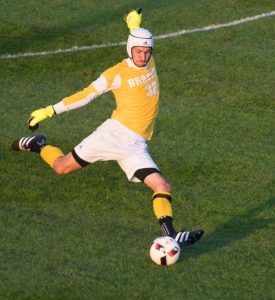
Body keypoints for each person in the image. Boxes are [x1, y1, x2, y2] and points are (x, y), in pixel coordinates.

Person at [11, 9, 204, 248]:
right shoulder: (116, 73)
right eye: (138, 51)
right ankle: (38, 144)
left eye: (147, 51)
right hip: (112, 136)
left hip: (136, 145)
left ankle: (171, 234)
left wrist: (135, 24)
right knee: (61, 167)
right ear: (129, 50)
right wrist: (50, 110)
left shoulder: (149, 61)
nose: (143, 56)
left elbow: (137, 38)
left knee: (162, 186)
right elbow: (86, 96)